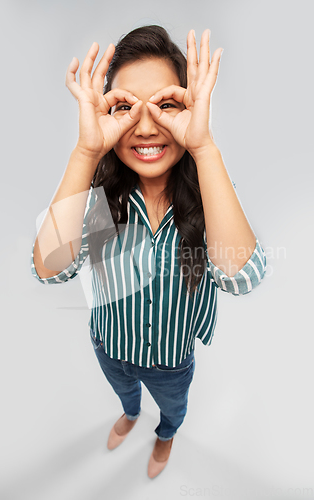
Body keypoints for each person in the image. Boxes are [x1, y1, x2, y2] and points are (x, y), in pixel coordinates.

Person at [31, 25, 266, 479]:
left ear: (189, 109)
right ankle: (130, 412)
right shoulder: (98, 196)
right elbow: (50, 269)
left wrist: (203, 146)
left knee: (173, 409)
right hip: (110, 344)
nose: (144, 126)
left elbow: (243, 278)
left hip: (172, 359)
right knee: (125, 393)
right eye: (124, 107)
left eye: (166, 105)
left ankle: (165, 435)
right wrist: (85, 151)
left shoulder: (209, 194)